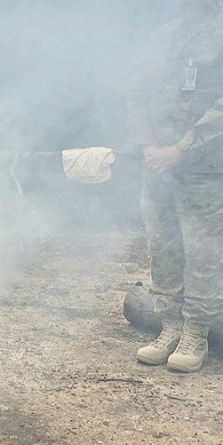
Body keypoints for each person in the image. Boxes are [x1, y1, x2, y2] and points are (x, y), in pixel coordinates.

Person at [129, 0, 223, 372]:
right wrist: (150, 146)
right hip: (157, 165)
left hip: (204, 167)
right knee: (163, 247)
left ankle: (195, 334)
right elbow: (135, 93)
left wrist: (181, 150)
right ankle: (169, 327)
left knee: (201, 252)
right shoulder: (162, 37)